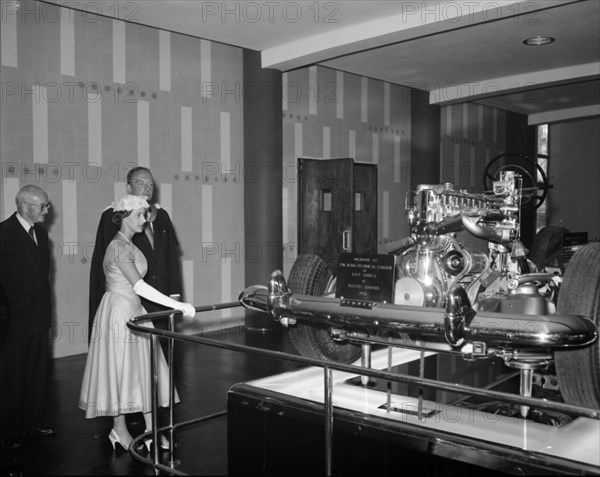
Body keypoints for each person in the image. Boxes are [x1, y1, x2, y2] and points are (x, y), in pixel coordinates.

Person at [78, 194, 195, 451]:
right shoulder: (117, 247)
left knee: (144, 370)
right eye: (140, 214)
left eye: (145, 213)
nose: (145, 218)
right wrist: (178, 305)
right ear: (125, 217)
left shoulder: (131, 244)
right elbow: (139, 285)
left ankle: (151, 430)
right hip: (119, 312)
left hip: (134, 310)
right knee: (121, 370)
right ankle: (118, 430)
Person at [88, 166, 182, 342]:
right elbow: (103, 263)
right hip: (132, 299)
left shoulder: (161, 216)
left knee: (162, 348)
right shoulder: (113, 216)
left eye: (150, 184)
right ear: (129, 188)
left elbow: (171, 257)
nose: (147, 188)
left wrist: (175, 293)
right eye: (140, 183)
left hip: (162, 296)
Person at [0, 185, 55, 449]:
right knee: (11, 376)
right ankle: (9, 430)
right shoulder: (3, 233)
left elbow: (43, 279)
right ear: (24, 206)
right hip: (12, 320)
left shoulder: (42, 235)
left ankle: (33, 422)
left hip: (39, 317)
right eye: (43, 206)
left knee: (37, 373)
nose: (47, 210)